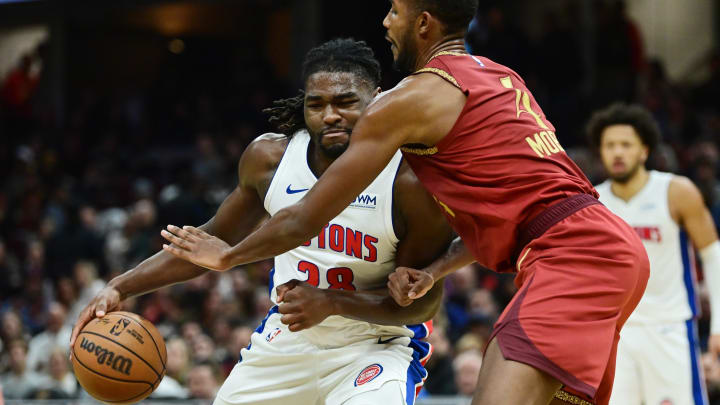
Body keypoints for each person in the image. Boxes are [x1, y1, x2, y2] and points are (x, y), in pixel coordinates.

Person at [158, 1, 650, 404]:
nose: (385, 22)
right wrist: (435, 269)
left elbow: (307, 215)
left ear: (423, 22)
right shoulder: (499, 76)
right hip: (603, 246)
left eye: (394, 10)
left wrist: (227, 256)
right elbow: (516, 217)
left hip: (570, 255)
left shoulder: (411, 98)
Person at [70, 38, 453, 404]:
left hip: (375, 345)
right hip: (287, 341)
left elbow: (420, 304)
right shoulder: (270, 160)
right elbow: (206, 245)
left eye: (346, 102)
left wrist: (333, 302)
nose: (330, 115)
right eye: (316, 104)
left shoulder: (410, 182)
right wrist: (119, 288)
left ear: (378, 100)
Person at [588, 103, 720, 405]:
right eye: (609, 146)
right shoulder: (592, 201)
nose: (617, 152)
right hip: (614, 334)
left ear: (644, 151)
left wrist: (718, 327)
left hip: (669, 327)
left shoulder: (676, 191)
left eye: (625, 145)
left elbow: (713, 256)